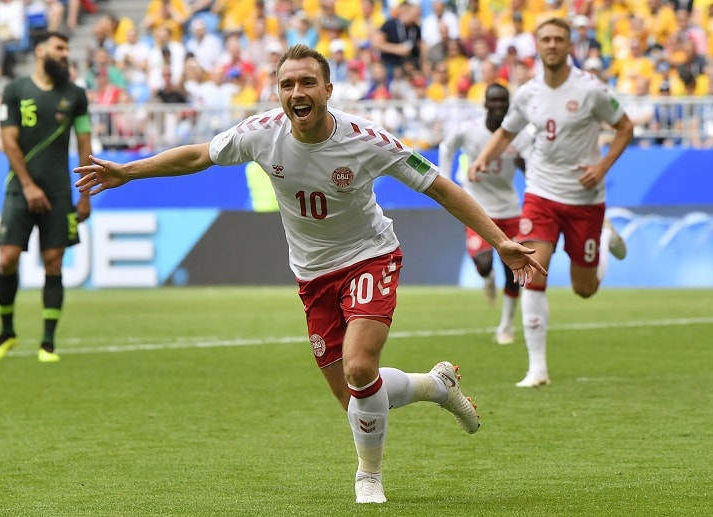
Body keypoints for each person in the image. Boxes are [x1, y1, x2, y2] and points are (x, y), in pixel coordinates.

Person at [74, 44, 546, 504]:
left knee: (360, 369)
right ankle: (435, 386)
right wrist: (129, 171)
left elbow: (441, 187)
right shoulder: (260, 133)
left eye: (307, 82)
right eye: (286, 84)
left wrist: (498, 240)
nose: (296, 91)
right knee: (357, 399)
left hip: (369, 256)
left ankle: (369, 477)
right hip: (313, 276)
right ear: (277, 93)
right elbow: (199, 156)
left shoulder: (367, 140)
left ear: (327, 90)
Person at [470, 18, 633, 388]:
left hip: (585, 198)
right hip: (541, 194)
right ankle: (537, 369)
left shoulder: (591, 90)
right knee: (531, 271)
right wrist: (483, 158)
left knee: (584, 289)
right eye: (546, 39)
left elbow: (625, 128)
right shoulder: (528, 93)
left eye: (559, 38)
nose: (553, 44)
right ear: (538, 46)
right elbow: (506, 131)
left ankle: (603, 243)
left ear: (570, 44)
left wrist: (602, 165)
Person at [0, 31, 92, 363]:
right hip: (19, 188)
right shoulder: (15, 90)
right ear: (40, 51)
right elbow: (8, 141)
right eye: (59, 48)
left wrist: (85, 195)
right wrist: (29, 186)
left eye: (67, 49)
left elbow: (85, 144)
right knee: (7, 259)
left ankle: (47, 343)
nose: (64, 54)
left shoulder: (75, 95)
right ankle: (6, 333)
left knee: (54, 262)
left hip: (59, 192)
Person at [439, 83, 532, 345]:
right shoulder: (470, 130)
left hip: (510, 208)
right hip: (477, 207)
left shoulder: (519, 135)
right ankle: (487, 279)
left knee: (513, 270)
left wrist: (531, 177)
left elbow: (533, 165)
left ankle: (505, 326)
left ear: (508, 104)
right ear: (486, 104)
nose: (499, 106)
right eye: (494, 101)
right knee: (483, 264)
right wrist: (446, 182)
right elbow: (447, 147)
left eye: (503, 101)